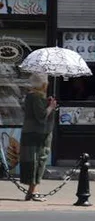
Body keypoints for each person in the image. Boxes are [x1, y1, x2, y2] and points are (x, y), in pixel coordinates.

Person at [19, 73, 57, 202]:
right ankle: (33, 191)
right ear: (44, 84)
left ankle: (31, 191)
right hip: (36, 134)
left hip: (35, 133)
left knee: (36, 160)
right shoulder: (35, 97)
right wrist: (51, 107)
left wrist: (48, 104)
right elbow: (41, 116)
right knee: (36, 160)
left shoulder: (34, 96)